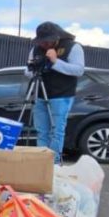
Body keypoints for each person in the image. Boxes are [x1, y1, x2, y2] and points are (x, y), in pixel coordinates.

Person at [25, 21, 85, 164]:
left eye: (46, 41)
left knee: (56, 130)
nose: (43, 45)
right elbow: (28, 70)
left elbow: (78, 70)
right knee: (41, 130)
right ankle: (40, 160)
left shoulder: (73, 47)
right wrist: (33, 68)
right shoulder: (35, 49)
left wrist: (55, 61)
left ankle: (54, 162)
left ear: (56, 37)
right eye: (41, 41)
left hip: (61, 95)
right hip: (40, 93)